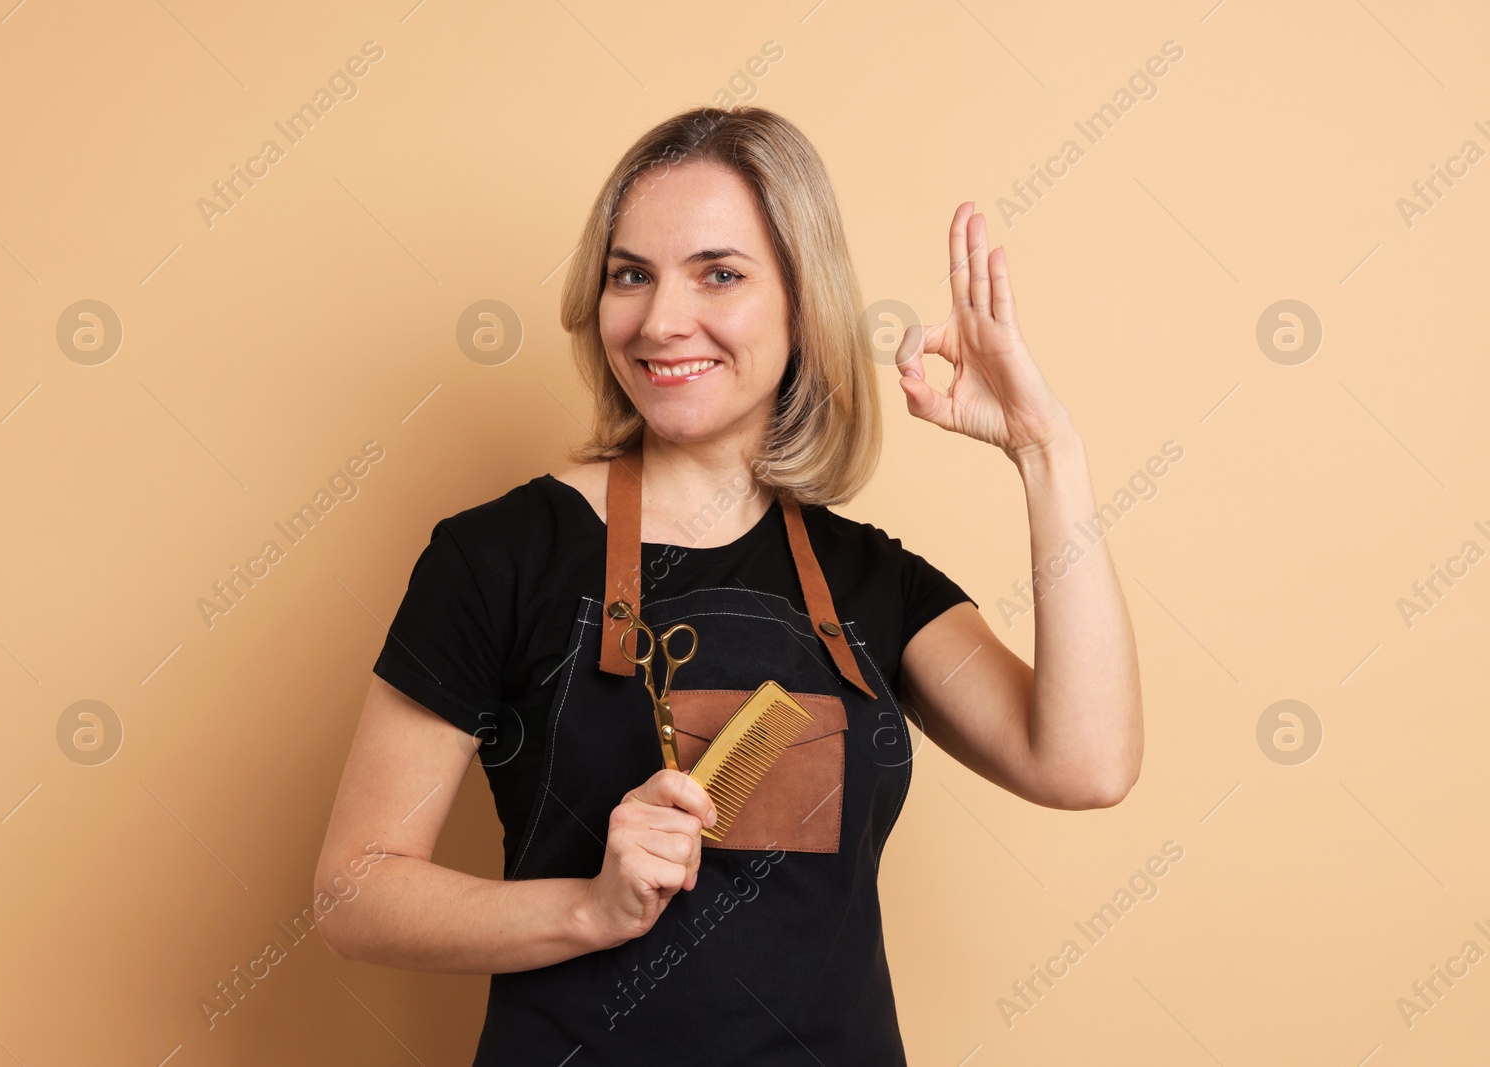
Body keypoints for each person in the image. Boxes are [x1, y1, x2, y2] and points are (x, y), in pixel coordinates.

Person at [313, 104, 1141, 1064]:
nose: (662, 321)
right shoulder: (498, 556)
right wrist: (586, 908)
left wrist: (1046, 451)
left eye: (719, 273)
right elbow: (353, 891)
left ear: (802, 300)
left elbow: (1085, 763)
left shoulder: (870, 580)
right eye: (632, 275)